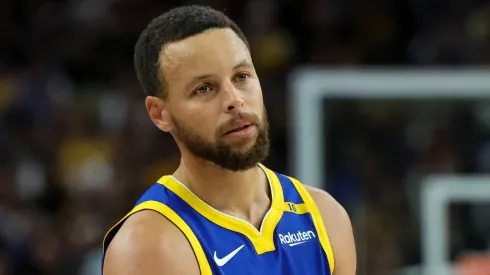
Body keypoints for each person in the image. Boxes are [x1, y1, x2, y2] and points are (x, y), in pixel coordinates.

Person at [102, 5, 356, 275]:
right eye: (204, 89)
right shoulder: (150, 246)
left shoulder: (325, 217)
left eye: (242, 76)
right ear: (160, 114)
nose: (234, 100)